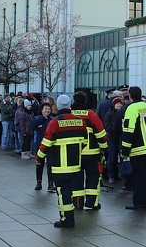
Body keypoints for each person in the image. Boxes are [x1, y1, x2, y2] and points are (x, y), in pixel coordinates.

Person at [37, 94, 86, 228]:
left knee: (63, 192)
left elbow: (45, 143)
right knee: (71, 190)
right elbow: (85, 141)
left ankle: (67, 219)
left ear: (57, 106)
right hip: (76, 165)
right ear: (70, 106)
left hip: (59, 166)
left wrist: (39, 157)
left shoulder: (55, 122)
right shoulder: (80, 121)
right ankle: (69, 217)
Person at [121, 86, 146, 210]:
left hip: (138, 149)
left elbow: (128, 130)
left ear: (130, 96)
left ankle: (139, 202)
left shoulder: (131, 109)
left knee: (138, 177)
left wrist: (125, 150)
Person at [71, 92, 108, 210]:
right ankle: (92, 203)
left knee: (77, 178)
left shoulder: (69, 115)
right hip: (92, 153)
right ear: (85, 101)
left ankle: (78, 203)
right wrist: (104, 148)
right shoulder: (91, 115)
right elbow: (101, 134)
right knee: (93, 177)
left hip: (75, 154)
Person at [32, 102, 56, 191]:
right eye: (46, 109)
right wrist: (42, 119)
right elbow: (33, 126)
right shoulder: (37, 118)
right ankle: (39, 182)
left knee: (50, 165)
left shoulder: (52, 119)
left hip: (50, 146)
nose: (47, 110)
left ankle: (51, 183)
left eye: (49, 109)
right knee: (39, 164)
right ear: (41, 110)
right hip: (39, 144)